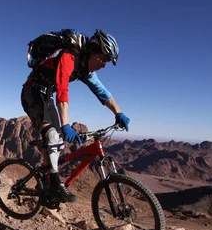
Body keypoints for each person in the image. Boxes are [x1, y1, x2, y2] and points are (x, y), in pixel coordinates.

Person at [21, 29, 130, 203]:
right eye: (103, 59)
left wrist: (119, 112)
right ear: (92, 52)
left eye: (107, 62)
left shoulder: (84, 69)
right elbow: (62, 90)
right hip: (32, 92)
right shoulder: (69, 57)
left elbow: (101, 91)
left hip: (46, 96)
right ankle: (55, 186)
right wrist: (66, 124)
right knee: (52, 135)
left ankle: (46, 180)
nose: (103, 65)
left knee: (57, 145)